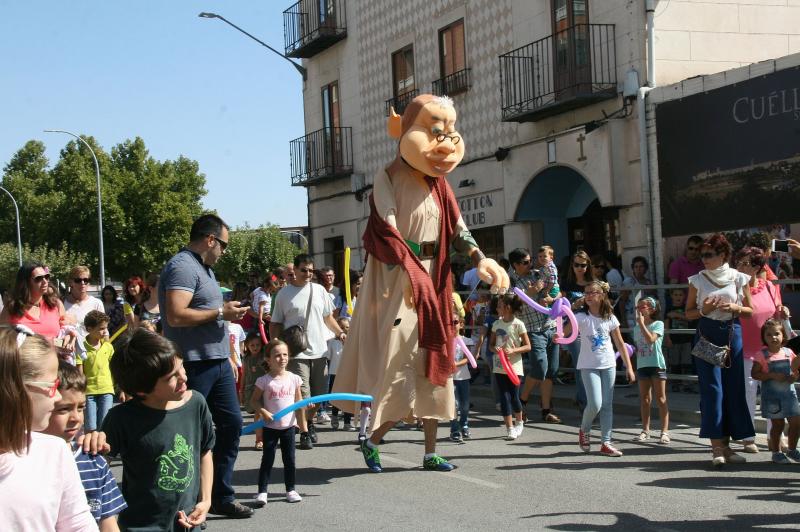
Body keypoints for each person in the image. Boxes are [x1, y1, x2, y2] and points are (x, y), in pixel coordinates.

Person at [331, 94, 509, 474]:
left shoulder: (441, 185)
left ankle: (430, 451)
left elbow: (459, 229)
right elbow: (388, 228)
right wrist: (413, 273)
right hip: (398, 280)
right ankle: (373, 439)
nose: (443, 139)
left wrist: (481, 259)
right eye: (433, 130)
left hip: (437, 280)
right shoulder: (388, 176)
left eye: (448, 131)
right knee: (397, 363)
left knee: (435, 363)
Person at [158, 213, 253, 518]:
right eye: (223, 245)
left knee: (231, 425)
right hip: (192, 366)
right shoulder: (182, 266)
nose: (223, 252)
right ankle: (185, 503)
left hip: (218, 362)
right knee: (187, 435)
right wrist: (220, 314)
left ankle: (220, 495)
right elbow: (175, 315)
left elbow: (209, 311)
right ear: (210, 239)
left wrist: (225, 314)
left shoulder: (204, 269)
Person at [102, 329, 214, 530]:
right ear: (141, 390)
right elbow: (97, 470)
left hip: (188, 523)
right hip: (141, 526)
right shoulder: (121, 418)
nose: (183, 377)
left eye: (182, 367)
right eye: (172, 376)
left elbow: (204, 451)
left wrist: (205, 501)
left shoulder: (196, 403)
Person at [0, 326, 97, 531]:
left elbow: (78, 524)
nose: (58, 396)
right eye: (52, 386)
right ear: (16, 388)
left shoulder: (54, 451)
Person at [685, 233, 755, 466]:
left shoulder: (739, 278)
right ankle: (716, 447)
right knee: (713, 390)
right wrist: (704, 310)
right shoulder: (697, 280)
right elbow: (688, 314)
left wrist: (736, 306)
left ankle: (728, 446)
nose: (703, 259)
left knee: (734, 389)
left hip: (732, 333)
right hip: (707, 334)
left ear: (723, 254)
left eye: (708, 255)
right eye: (701, 255)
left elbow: (750, 310)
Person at [270, 254, 346, 449]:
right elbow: (276, 323)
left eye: (311, 270)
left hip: (320, 351)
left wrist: (340, 333)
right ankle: (304, 432)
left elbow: (329, 318)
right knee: (302, 396)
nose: (308, 274)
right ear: (294, 270)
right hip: (297, 352)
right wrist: (275, 345)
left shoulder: (320, 291)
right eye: (303, 270)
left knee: (319, 396)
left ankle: (309, 422)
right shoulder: (284, 294)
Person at [41, 361, 127, 529]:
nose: (76, 418)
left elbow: (108, 524)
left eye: (81, 408)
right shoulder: (22, 463)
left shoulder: (94, 461)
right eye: (63, 409)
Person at [564, 281, 636, 457]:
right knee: (595, 403)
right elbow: (564, 333)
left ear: (601, 295)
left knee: (607, 405)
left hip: (608, 364)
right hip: (588, 365)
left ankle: (606, 442)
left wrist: (629, 366)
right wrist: (571, 311)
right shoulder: (581, 317)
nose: (587, 295)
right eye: (586, 292)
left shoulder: (610, 317)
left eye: (592, 292)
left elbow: (619, 342)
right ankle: (584, 430)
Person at [736, 246, 791, 454]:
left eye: (745, 263)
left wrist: (783, 310)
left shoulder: (769, 286)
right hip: (744, 349)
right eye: (738, 262)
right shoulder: (735, 287)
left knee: (773, 394)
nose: (740, 266)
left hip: (769, 351)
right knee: (748, 394)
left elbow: (777, 312)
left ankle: (775, 436)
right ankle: (747, 437)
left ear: (757, 267)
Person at [508, 248, 561, 425]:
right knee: (540, 367)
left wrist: (551, 298)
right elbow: (509, 306)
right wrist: (528, 295)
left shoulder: (539, 273)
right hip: (531, 328)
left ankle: (546, 409)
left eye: (530, 261)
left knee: (551, 371)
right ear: (515, 265)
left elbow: (558, 291)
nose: (530, 264)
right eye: (525, 262)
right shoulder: (510, 282)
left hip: (550, 325)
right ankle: (521, 401)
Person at [249, 339, 306, 506]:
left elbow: (299, 401)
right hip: (270, 427)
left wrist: (305, 408)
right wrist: (263, 411)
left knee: (290, 460)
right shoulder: (264, 380)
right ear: (268, 359)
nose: (282, 358)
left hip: (288, 427)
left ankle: (291, 490)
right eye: (277, 355)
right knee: (268, 459)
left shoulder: (294, 378)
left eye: (285, 355)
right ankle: (262, 492)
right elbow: (254, 401)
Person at [752, 319, 800, 464]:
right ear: (764, 338)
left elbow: (794, 372)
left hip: (789, 395)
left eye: (777, 334)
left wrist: (793, 376)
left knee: (796, 422)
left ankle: (792, 450)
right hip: (772, 398)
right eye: (769, 335)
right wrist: (771, 375)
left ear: (783, 335)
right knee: (777, 425)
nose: (773, 337)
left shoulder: (789, 352)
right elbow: (755, 374)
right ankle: (776, 452)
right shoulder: (762, 355)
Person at [0, 262, 76, 352]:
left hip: (55, 362)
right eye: (38, 279)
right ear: (26, 282)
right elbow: (2, 343)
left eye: (46, 277)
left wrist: (69, 337)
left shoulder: (55, 304)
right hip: (24, 363)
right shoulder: (12, 308)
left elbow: (66, 331)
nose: (45, 281)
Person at [490, 294, 530, 441]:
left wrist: (513, 351)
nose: (497, 308)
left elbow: (528, 346)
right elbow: (491, 345)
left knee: (514, 396)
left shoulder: (519, 324)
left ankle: (519, 421)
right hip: (499, 366)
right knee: (504, 397)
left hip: (514, 366)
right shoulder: (496, 324)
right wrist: (497, 350)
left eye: (499, 305)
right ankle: (509, 428)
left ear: (507, 308)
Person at [632, 297, 670, 444]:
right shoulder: (636, 328)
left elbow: (650, 340)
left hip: (656, 364)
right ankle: (645, 430)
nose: (639, 310)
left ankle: (664, 431)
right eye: (638, 307)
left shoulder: (658, 324)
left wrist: (642, 324)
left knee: (661, 398)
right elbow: (639, 347)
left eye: (642, 307)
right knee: (645, 399)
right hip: (643, 365)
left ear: (652, 309)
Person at [561, 250, 595, 411]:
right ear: (572, 266)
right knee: (580, 365)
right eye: (576, 265)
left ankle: (588, 398)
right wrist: (574, 305)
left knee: (593, 365)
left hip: (592, 328)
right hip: (573, 328)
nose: (580, 268)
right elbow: (560, 307)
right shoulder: (567, 284)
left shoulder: (594, 283)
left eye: (583, 265)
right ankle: (584, 402)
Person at [78, 310, 115, 432]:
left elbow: (114, 368)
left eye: (106, 328)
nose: (105, 331)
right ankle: (90, 450)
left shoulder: (108, 347)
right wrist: (80, 391)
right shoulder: (81, 347)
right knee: (90, 427)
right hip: (89, 391)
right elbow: (79, 372)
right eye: (101, 328)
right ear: (89, 329)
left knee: (105, 424)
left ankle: (103, 450)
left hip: (106, 389)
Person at [64, 266, 105, 347]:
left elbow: (104, 330)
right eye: (78, 280)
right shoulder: (61, 303)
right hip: (68, 351)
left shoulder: (96, 303)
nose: (82, 283)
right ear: (71, 282)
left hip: (91, 351)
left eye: (86, 280)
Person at [449, 313, 475, 443]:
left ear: (461, 324)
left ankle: (464, 424)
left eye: (456, 322)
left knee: (464, 405)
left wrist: (455, 364)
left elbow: (466, 359)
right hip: (449, 377)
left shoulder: (466, 340)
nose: (453, 325)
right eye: (451, 322)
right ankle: (454, 429)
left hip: (463, 376)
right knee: (453, 404)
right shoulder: (446, 340)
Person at [242, 331, 267, 450]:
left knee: (263, 414)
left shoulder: (265, 357)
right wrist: (241, 391)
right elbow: (244, 375)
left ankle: (263, 438)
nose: (255, 347)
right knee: (258, 414)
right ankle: (259, 439)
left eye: (257, 345)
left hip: (265, 390)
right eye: (252, 345)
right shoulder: (246, 359)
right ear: (247, 346)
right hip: (252, 390)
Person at [328, 317, 353, 430]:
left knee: (348, 398)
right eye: (341, 327)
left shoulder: (352, 342)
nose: (344, 329)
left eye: (347, 327)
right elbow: (328, 357)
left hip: (348, 374)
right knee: (336, 398)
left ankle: (347, 422)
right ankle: (334, 416)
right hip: (335, 374)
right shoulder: (332, 342)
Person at [664, 288, 694, 382]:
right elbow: (666, 324)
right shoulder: (668, 309)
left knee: (686, 362)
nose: (678, 297)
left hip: (686, 339)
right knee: (674, 361)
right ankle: (676, 382)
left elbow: (690, 319)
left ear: (684, 296)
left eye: (680, 295)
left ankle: (686, 383)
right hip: (674, 339)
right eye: (676, 295)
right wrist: (667, 338)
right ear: (672, 296)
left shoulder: (687, 308)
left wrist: (677, 315)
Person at [621, 256, 654, 330]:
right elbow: (622, 301)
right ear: (633, 268)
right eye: (636, 267)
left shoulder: (648, 283)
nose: (638, 269)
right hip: (632, 318)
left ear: (645, 268)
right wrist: (624, 320)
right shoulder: (629, 281)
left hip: (647, 317)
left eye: (641, 266)